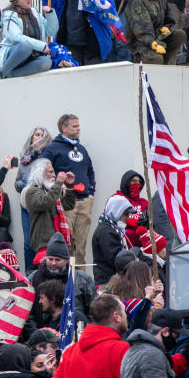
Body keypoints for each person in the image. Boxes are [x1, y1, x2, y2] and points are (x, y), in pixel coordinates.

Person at [42, 114, 95, 263]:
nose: (79, 129)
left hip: (84, 202)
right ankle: (66, 282)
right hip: (65, 203)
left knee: (81, 248)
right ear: (64, 128)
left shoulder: (82, 149)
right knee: (66, 246)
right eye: (74, 126)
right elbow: (42, 171)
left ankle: (79, 282)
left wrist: (91, 193)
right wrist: (57, 185)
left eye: (78, 125)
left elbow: (90, 171)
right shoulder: (52, 148)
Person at [0, 0, 58, 79]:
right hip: (15, 54)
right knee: (26, 46)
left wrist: (50, 14)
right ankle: (2, 71)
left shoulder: (34, 12)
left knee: (47, 62)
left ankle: (7, 75)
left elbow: (51, 31)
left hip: (33, 55)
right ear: (15, 1)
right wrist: (41, 45)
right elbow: (16, 37)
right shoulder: (9, 14)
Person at [23, 157, 77, 254]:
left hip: (59, 242)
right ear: (40, 173)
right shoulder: (32, 191)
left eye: (53, 172)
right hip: (44, 244)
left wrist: (69, 186)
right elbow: (44, 203)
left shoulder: (51, 190)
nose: (54, 175)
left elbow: (68, 205)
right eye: (51, 172)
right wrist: (58, 183)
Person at [124, 0, 186, 64]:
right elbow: (141, 28)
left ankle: (167, 63)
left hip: (158, 37)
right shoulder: (137, 0)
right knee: (156, 59)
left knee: (179, 35)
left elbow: (169, 18)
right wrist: (151, 43)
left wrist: (167, 27)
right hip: (142, 44)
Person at [91, 195, 135, 285]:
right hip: (107, 284)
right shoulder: (106, 232)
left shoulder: (112, 229)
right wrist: (135, 255)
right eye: (126, 214)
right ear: (116, 212)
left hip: (112, 282)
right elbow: (118, 258)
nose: (128, 217)